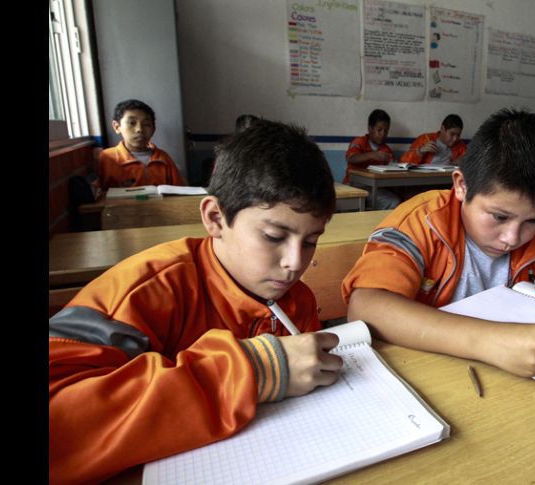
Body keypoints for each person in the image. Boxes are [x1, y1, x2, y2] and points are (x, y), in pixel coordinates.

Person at [50, 120, 344, 484]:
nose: (295, 263)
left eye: (311, 240)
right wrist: (257, 370)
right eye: (273, 236)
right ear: (215, 218)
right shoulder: (144, 292)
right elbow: (59, 424)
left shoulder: (295, 298)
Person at [342, 108, 535, 379]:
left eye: (532, 221)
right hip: (426, 378)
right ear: (461, 186)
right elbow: (366, 306)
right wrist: (489, 341)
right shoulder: (423, 222)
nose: (512, 238)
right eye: (499, 216)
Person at [98, 99, 185, 190]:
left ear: (153, 128)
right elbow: (100, 196)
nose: (139, 129)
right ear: (116, 127)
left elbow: (179, 191)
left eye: (146, 124)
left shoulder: (163, 158)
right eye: (132, 123)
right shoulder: (107, 158)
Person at [344, 109, 399, 209]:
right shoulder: (359, 142)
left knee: (402, 198)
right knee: (393, 202)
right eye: (379, 130)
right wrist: (371, 155)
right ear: (370, 128)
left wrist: (395, 165)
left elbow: (391, 169)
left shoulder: (386, 149)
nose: (383, 134)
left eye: (386, 131)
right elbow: (351, 158)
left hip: (376, 187)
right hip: (356, 185)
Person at [400, 114, 467, 166]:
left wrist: (465, 160)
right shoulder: (425, 139)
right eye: (452, 134)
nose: (455, 139)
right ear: (443, 129)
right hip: (425, 180)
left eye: (458, 135)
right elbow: (403, 163)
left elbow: (472, 159)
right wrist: (420, 151)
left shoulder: (460, 145)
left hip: (449, 179)